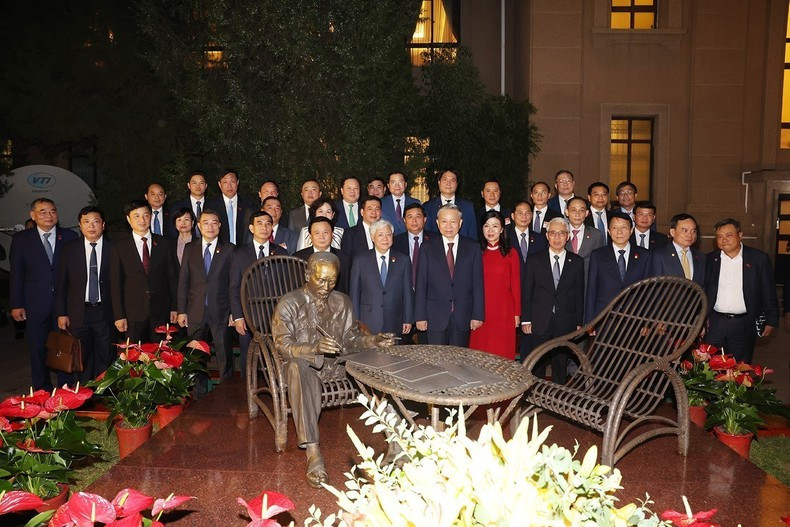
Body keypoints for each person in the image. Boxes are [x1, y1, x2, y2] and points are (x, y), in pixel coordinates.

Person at [271, 252, 396, 487]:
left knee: (377, 360)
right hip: (305, 366)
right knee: (298, 369)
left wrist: (371, 342)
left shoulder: (342, 302)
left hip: (338, 365)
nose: (326, 287)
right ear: (308, 275)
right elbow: (282, 345)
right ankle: (313, 452)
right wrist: (314, 348)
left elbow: (350, 339)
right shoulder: (289, 304)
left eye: (332, 281)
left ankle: (395, 437)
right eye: (320, 280)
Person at [10, 198, 78, 389]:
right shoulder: (22, 240)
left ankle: (66, 389)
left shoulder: (70, 237)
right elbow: (17, 274)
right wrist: (16, 304)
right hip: (35, 304)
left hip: (64, 305)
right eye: (43, 212)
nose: (49, 215)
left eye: (52, 211)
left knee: (64, 348)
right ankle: (42, 389)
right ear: (33, 215)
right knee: (38, 349)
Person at [703, 218, 779, 363]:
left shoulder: (758, 259)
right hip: (715, 323)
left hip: (744, 323)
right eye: (719, 237)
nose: (724, 240)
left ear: (740, 235)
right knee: (711, 367)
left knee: (740, 369)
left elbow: (768, 290)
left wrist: (771, 319)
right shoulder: (710, 260)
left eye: (728, 235)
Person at [177, 209, 234, 396]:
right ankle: (200, 396)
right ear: (199, 226)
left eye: (214, 222)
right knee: (196, 357)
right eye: (206, 223)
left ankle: (227, 394)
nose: (210, 226)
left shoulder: (229, 249)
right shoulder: (190, 248)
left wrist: (234, 312)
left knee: (224, 354)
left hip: (221, 311)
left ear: (220, 225)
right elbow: (183, 281)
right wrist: (181, 310)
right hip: (195, 311)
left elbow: (234, 283)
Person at [522, 217, 585, 384]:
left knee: (560, 363)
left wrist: (579, 322)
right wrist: (526, 319)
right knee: (538, 362)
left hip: (565, 320)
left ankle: (558, 397)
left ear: (568, 236)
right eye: (553, 233)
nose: (557, 237)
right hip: (539, 319)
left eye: (561, 233)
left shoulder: (577, 262)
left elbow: (579, 293)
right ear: (547, 236)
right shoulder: (535, 259)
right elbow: (527, 291)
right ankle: (536, 396)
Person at [55, 206, 114, 383]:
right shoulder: (69, 249)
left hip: (105, 312)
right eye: (86, 222)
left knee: (106, 356)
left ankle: (104, 396)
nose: (91, 226)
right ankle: (85, 394)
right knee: (83, 358)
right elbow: (61, 284)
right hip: (79, 313)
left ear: (103, 225)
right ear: (80, 226)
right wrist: (61, 313)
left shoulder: (114, 249)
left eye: (96, 221)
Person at [415, 204, 484, 346]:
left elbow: (478, 283)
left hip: (463, 316)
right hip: (435, 316)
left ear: (460, 223)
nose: (448, 226)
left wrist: (478, 315)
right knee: (436, 361)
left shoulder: (472, 247)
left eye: (453, 221)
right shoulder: (427, 247)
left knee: (459, 362)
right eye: (444, 221)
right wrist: (420, 316)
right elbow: (421, 284)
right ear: (437, 223)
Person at [110, 199, 178, 343]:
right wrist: (119, 315)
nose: (142, 220)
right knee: (134, 357)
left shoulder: (164, 243)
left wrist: (174, 307)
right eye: (137, 216)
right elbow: (116, 284)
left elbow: (172, 277)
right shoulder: (120, 247)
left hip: (160, 311)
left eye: (146, 215)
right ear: (129, 219)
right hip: (133, 313)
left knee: (160, 357)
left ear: (151, 217)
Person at [230, 211, 289, 370]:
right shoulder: (239, 253)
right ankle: (246, 392)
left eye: (268, 223)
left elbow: (287, 285)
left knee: (275, 361)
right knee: (248, 361)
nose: (264, 227)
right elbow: (234, 287)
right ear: (251, 228)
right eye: (259, 223)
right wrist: (237, 317)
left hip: (275, 316)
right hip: (248, 315)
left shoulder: (281, 253)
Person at [468, 211, 520, 359]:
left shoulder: (511, 253)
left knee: (502, 353)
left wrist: (516, 314)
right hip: (480, 310)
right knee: (480, 353)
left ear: (502, 229)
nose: (490, 230)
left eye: (495, 226)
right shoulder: (475, 252)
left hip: (504, 311)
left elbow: (515, 284)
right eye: (486, 226)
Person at [349, 220, 413, 336]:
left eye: (388, 234)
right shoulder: (360, 260)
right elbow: (355, 294)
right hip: (368, 321)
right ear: (372, 237)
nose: (385, 238)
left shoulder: (403, 260)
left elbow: (407, 292)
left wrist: (408, 319)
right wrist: (356, 322)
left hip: (395, 320)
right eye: (380, 234)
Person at [585, 212, 652, 323]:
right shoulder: (598, 255)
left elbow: (648, 291)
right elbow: (592, 289)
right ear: (609, 231)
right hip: (605, 317)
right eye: (615, 227)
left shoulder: (644, 255)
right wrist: (590, 321)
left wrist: (647, 322)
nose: (619, 232)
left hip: (635, 319)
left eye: (624, 227)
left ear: (631, 231)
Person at [505, 200, 547, 361]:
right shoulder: (504, 235)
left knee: (529, 335)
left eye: (528, 213)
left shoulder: (540, 239)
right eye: (520, 213)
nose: (524, 216)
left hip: (533, 295)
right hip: (509, 293)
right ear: (513, 216)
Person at [294, 217, 352, 294]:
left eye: (325, 232)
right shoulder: (298, 258)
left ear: (332, 235)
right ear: (310, 236)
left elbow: (347, 287)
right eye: (317, 233)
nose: (321, 237)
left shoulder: (344, 258)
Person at [650, 213, 705, 286]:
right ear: (672, 232)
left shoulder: (701, 257)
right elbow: (654, 286)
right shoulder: (659, 255)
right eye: (685, 230)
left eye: (693, 231)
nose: (690, 235)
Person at [423, 169, 478, 240]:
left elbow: (472, 234)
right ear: (439, 182)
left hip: (463, 249)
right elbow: (426, 235)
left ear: (457, 184)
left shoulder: (467, 206)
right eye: (445, 180)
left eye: (452, 180)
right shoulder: (428, 207)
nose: (448, 183)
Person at [205, 170, 255, 245]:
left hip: (243, 249)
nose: (229, 186)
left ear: (237, 182)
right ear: (219, 184)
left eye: (232, 182)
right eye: (225, 182)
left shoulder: (248, 204)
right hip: (220, 249)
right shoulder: (211, 204)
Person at [393, 203, 431, 290]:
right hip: (403, 292)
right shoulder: (395, 242)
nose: (414, 221)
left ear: (424, 219)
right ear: (404, 220)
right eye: (410, 217)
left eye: (418, 217)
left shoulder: (435, 241)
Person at [564, 196, 604, 278]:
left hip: (586, 281)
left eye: (581, 210)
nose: (577, 214)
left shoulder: (596, 235)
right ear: (567, 212)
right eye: (573, 210)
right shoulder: (559, 233)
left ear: (586, 213)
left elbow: (600, 263)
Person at [169, 171, 208, 239]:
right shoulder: (178, 206)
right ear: (189, 185)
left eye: (201, 183)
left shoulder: (213, 205)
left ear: (206, 186)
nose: (198, 186)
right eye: (194, 183)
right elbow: (173, 229)